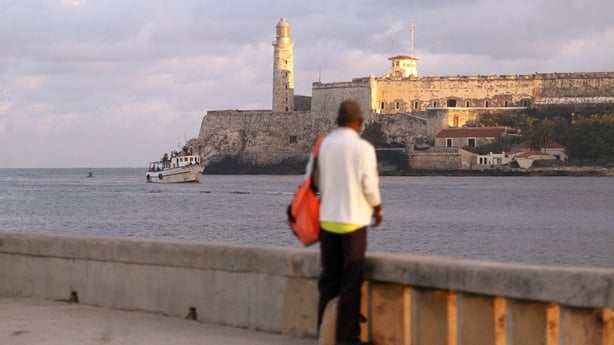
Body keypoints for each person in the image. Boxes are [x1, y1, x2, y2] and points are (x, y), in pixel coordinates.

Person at [311, 99, 383, 345]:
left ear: (337, 122)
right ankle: (347, 337)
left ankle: (323, 333)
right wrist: (377, 209)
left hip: (328, 222)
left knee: (328, 280)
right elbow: (370, 187)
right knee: (351, 282)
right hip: (353, 223)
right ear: (360, 124)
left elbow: (313, 180)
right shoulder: (364, 149)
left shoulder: (324, 146)